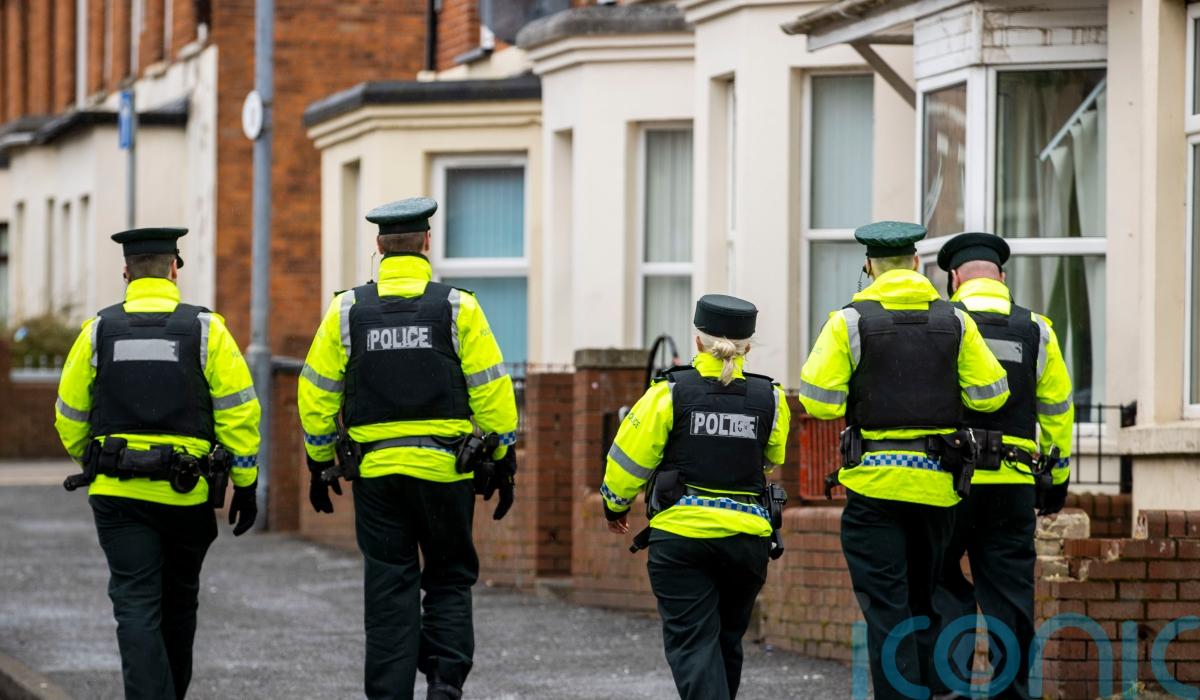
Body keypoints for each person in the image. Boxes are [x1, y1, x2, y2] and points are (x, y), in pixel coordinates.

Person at [297, 196, 519, 700]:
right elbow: (491, 389)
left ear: (379, 246)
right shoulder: (458, 307)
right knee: (449, 577)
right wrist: (502, 458)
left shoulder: (347, 310)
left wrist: (319, 459)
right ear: (427, 243)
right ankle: (444, 683)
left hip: (377, 476)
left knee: (389, 586)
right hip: (445, 471)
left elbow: (315, 392)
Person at [797, 221, 1009, 700]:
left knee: (887, 612)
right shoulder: (956, 321)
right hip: (936, 489)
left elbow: (819, 402)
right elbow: (992, 395)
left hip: (873, 491)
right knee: (925, 603)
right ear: (916, 263)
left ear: (869, 267)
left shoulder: (849, 322)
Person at [53, 227, 261, 699]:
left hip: (118, 495)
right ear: (174, 270)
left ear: (126, 273)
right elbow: (239, 412)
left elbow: (69, 414)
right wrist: (246, 482)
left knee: (135, 605)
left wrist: (93, 459)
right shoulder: (207, 330)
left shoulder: (98, 331)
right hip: (185, 495)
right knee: (179, 603)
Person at [601, 294, 791, 700]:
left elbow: (628, 458)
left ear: (698, 341)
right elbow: (772, 458)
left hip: (681, 540)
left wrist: (614, 505)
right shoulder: (771, 398)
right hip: (747, 540)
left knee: (694, 644)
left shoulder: (669, 393)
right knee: (726, 642)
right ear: (747, 348)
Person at [930, 232, 1074, 700]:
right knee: (1010, 596)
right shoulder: (1037, 329)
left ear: (954, 278)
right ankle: (1011, 693)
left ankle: (947, 687)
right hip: (1012, 483)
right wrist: (1055, 479)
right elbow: (1057, 411)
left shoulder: (941, 324)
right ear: (1002, 278)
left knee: (940, 583)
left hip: (948, 482)